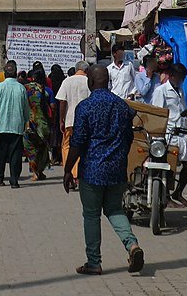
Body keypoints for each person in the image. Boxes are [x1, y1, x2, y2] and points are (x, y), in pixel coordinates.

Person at [64, 65, 144, 276]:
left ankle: (94, 262)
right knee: (115, 210)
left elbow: (78, 142)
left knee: (91, 215)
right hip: (116, 169)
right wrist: (119, 157)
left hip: (92, 170)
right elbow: (128, 137)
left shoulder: (85, 107)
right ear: (107, 81)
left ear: (90, 83)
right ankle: (132, 245)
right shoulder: (122, 106)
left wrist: (67, 170)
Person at [152, 62, 187, 206]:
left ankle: (179, 192)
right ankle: (166, 197)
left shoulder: (180, 90)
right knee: (169, 166)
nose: (181, 80)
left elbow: (181, 109)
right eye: (179, 77)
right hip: (169, 133)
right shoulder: (161, 90)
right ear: (172, 76)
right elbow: (158, 112)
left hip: (182, 132)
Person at [0, 60, 30, 188]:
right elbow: (25, 107)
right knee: (16, 154)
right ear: (16, 74)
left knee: (1, 153)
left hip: (2, 125)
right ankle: (14, 180)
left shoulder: (0, 87)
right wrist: (26, 120)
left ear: (5, 74)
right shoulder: (21, 88)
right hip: (17, 125)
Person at [56, 60, 90, 181]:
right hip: (85, 121)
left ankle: (69, 172)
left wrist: (61, 120)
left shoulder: (67, 81)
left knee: (67, 147)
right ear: (86, 70)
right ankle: (77, 175)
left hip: (69, 120)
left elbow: (62, 101)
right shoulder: (88, 82)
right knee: (83, 147)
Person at [24, 68, 50, 180]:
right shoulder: (46, 90)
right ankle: (40, 171)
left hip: (29, 123)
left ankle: (35, 172)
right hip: (43, 124)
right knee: (42, 149)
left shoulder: (25, 89)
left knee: (30, 148)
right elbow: (51, 107)